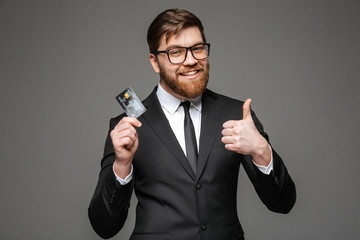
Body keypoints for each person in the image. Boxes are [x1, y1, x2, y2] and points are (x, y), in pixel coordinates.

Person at [88, 8, 296, 240]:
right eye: (176, 52)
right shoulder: (127, 126)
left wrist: (262, 151)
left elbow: (283, 203)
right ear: (155, 62)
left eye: (197, 49)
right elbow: (104, 227)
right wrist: (122, 166)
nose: (191, 61)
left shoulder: (237, 114)